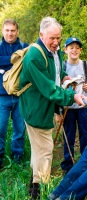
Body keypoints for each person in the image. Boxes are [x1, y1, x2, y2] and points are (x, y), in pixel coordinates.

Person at [19, 17, 85, 200]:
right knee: (46, 150)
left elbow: (56, 72)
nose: (56, 42)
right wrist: (72, 97)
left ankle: (33, 187)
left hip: (46, 108)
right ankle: (40, 192)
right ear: (41, 35)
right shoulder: (34, 56)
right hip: (37, 110)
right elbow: (48, 88)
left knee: (39, 150)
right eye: (52, 38)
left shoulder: (54, 52)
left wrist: (65, 78)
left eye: (58, 38)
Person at [60, 37, 87, 173]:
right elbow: (57, 87)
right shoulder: (62, 67)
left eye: (77, 48)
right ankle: (68, 165)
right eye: (71, 47)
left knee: (86, 135)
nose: (74, 50)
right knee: (68, 137)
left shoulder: (86, 65)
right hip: (68, 109)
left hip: (85, 107)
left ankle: (86, 163)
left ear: (80, 50)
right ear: (65, 50)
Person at [0, 19, 29, 168]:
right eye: (7, 30)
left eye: (13, 30)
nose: (10, 33)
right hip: (2, 97)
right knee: (0, 129)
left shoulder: (25, 47)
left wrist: (4, 63)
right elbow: (20, 62)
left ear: (17, 31)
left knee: (19, 129)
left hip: (20, 96)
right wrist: (15, 61)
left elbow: (30, 64)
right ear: (2, 31)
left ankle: (17, 159)